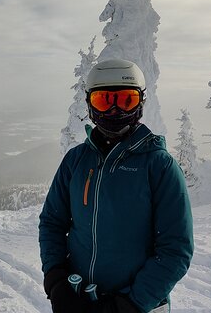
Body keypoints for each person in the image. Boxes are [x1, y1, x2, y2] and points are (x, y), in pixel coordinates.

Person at [39, 59, 194, 313]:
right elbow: (52, 222)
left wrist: (129, 304)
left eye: (125, 100)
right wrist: (56, 278)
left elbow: (175, 249)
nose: (114, 111)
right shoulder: (76, 161)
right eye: (103, 100)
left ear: (140, 104)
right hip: (79, 300)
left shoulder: (159, 166)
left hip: (138, 307)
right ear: (89, 104)